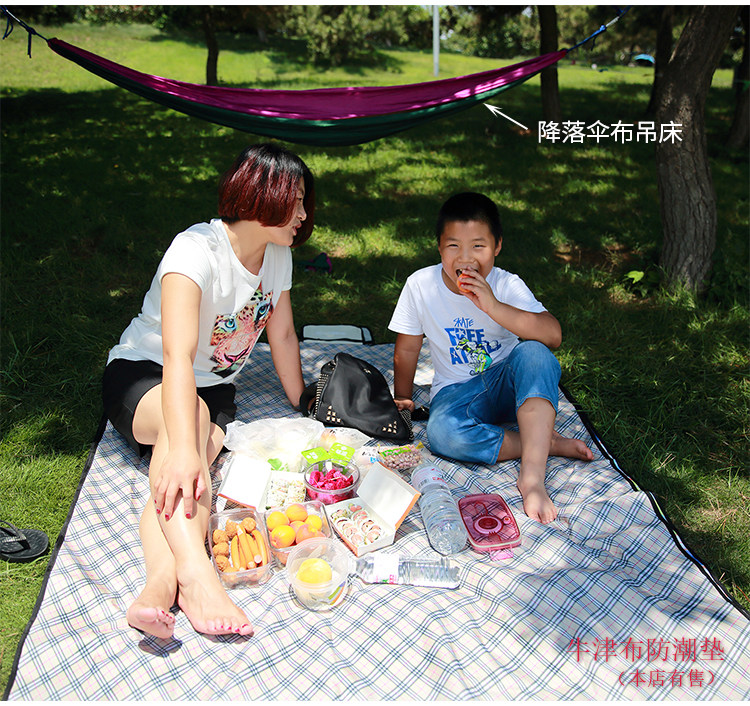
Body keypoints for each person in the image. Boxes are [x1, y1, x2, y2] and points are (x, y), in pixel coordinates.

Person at [102, 143, 314, 639]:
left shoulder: (277, 256)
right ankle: (199, 576)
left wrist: (303, 400)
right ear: (262, 194)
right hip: (145, 373)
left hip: (213, 390)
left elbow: (283, 333)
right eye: (297, 200)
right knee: (188, 439)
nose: (304, 215)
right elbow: (176, 355)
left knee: (188, 457)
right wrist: (184, 446)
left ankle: (159, 585)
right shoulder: (194, 250)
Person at [388, 192, 592, 524]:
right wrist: (403, 397)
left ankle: (532, 477)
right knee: (443, 434)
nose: (466, 258)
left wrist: (493, 306)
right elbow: (408, 348)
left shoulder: (506, 284)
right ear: (439, 248)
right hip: (458, 394)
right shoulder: (421, 285)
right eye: (454, 246)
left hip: (509, 386)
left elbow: (552, 334)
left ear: (497, 246)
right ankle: (543, 443)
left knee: (535, 353)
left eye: (478, 246)